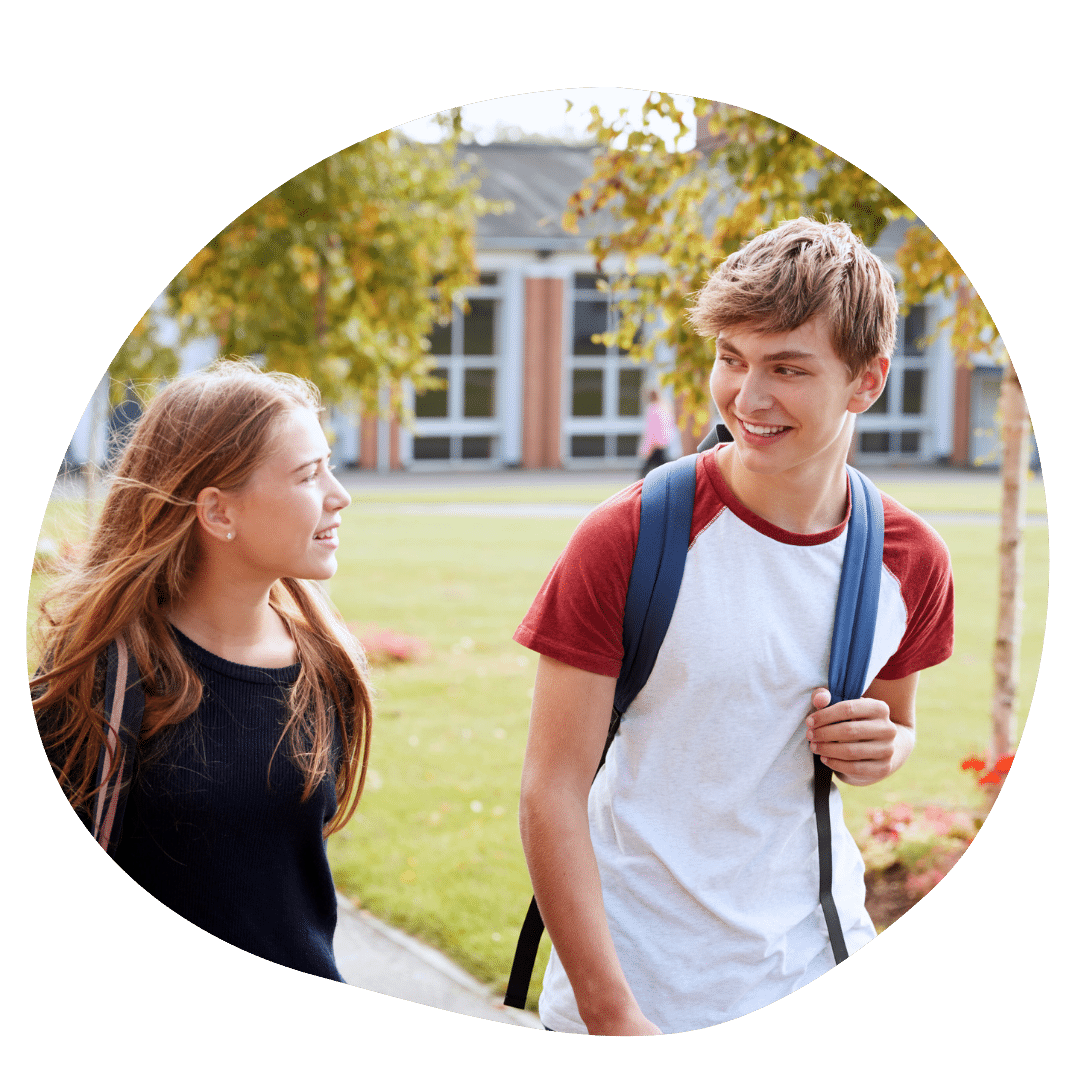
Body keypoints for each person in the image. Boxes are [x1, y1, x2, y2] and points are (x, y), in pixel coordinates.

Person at [513, 218, 954, 1035]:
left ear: (867, 381)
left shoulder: (908, 558)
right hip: (639, 992)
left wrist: (883, 747)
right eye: (731, 359)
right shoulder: (632, 537)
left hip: (819, 959)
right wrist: (612, 1015)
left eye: (787, 368)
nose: (747, 399)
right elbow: (550, 790)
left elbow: (896, 726)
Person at [31, 360, 372, 983]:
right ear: (217, 513)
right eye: (306, 475)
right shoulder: (101, 678)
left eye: (330, 465)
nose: (338, 494)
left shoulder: (328, 663)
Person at [638, 389, 675, 478]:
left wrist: (647, 446)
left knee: (647, 467)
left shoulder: (652, 409)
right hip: (663, 442)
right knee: (662, 465)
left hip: (655, 444)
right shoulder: (664, 407)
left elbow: (651, 430)